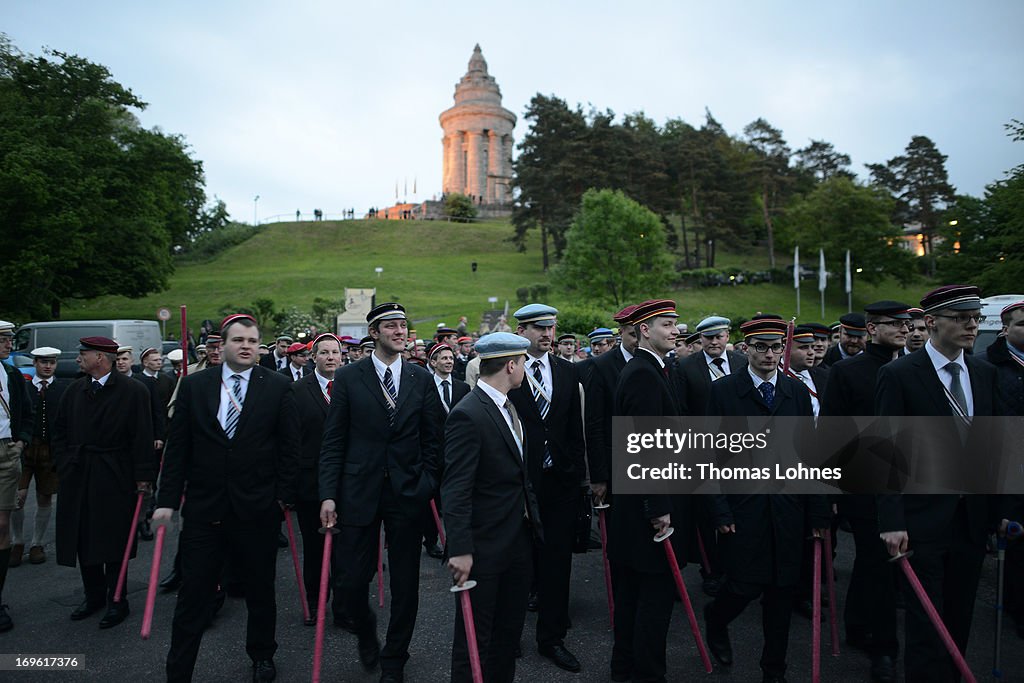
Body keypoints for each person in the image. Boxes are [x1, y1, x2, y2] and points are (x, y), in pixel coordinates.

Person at [875, 285, 1014, 683]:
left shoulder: (984, 372)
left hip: (971, 518)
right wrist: (891, 519)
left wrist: (1005, 510)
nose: (973, 326)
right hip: (922, 517)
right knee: (925, 621)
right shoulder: (899, 374)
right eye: (962, 318)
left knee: (959, 618)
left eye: (975, 319)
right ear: (933, 322)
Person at [154, 314, 300, 682]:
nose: (246, 346)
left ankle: (262, 655)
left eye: (252, 340)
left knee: (260, 591)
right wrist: (166, 501)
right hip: (206, 510)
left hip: (257, 509)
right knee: (193, 594)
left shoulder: (278, 386)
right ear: (223, 344)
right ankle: (179, 668)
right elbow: (178, 450)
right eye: (239, 340)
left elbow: (290, 448)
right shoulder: (194, 386)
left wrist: (282, 497)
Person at [319, 303, 443, 683]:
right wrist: (328, 494)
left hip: (407, 493)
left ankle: (395, 658)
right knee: (350, 583)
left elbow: (435, 440)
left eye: (403, 325)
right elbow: (334, 441)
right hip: (358, 490)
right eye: (391, 326)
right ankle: (366, 628)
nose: (400, 331)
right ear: (374, 333)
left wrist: (426, 483)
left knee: (406, 582)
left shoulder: (421, 378)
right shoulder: (350, 378)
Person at [703, 317, 829, 683]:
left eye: (776, 347)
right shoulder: (724, 392)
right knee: (743, 585)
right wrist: (719, 508)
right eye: (761, 346)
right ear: (745, 349)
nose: (770, 354)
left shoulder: (796, 393)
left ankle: (774, 670)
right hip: (744, 508)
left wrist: (819, 511)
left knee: (782, 593)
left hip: (789, 508)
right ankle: (717, 617)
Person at [819, 300, 912, 683]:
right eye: (896, 324)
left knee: (875, 566)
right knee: (877, 565)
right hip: (864, 485)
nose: (905, 329)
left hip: (911, 483)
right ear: (872, 329)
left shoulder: (915, 370)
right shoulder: (846, 372)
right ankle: (883, 649)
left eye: (909, 323)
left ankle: (857, 624)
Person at [442, 332, 542, 683]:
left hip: (517, 541)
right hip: (483, 548)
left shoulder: (507, 406)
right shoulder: (468, 414)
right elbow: (455, 488)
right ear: (511, 365)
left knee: (506, 637)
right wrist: (461, 549)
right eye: (524, 362)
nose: (526, 368)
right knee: (473, 643)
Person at [608, 299, 690, 682]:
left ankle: (624, 669)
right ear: (644, 329)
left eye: (675, 323)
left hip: (639, 503)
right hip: (647, 508)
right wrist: (659, 506)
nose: (675, 329)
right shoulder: (643, 373)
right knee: (651, 601)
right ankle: (646, 674)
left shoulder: (655, 368)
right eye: (666, 324)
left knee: (632, 596)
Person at [52, 336, 155, 630]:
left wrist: (143, 478)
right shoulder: (74, 390)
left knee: (113, 540)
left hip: (115, 475)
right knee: (83, 538)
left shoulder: (133, 391)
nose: (78, 358)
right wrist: (64, 462)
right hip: (79, 474)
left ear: (100, 358)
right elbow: (59, 432)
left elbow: (142, 437)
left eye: (83, 354)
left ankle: (118, 599)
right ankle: (94, 595)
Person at [508, 303, 586, 674]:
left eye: (551, 328)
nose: (547, 334)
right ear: (521, 331)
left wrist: (577, 472)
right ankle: (509, 637)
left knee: (557, 564)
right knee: (517, 561)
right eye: (538, 328)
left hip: (560, 483)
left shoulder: (567, 371)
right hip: (520, 483)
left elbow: (573, 427)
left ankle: (552, 638)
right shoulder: (507, 369)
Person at [290, 333, 343, 626]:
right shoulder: (297, 390)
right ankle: (315, 599)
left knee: (345, 548)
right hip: (310, 483)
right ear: (314, 358)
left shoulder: (350, 386)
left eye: (335, 352)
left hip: (346, 482)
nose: (331, 357)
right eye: (324, 353)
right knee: (314, 547)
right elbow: (291, 439)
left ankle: (344, 604)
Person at [11, 347, 65, 568]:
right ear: (34, 364)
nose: (48, 366)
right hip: (25, 449)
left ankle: (37, 543)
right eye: (43, 362)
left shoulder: (62, 389)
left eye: (51, 362)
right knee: (18, 497)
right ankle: (17, 542)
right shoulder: (23, 387)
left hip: (50, 451)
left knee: (45, 497)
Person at [581, 306, 638, 508]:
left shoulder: (659, 363)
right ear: (620, 333)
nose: (639, 340)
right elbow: (594, 423)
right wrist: (598, 476)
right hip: (616, 468)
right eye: (633, 334)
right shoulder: (601, 366)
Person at [0, 320, 33, 632]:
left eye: (10, 339)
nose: (10, 345)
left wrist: (21, 438)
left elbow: (27, 408)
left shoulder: (10, 373)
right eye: (5, 339)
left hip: (6, 451)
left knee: (1, 524)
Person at [672, 316, 748, 415]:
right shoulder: (685, 366)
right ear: (700, 338)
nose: (714, 342)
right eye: (709, 337)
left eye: (719, 337)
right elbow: (682, 407)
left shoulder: (742, 362)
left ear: (727, 336)